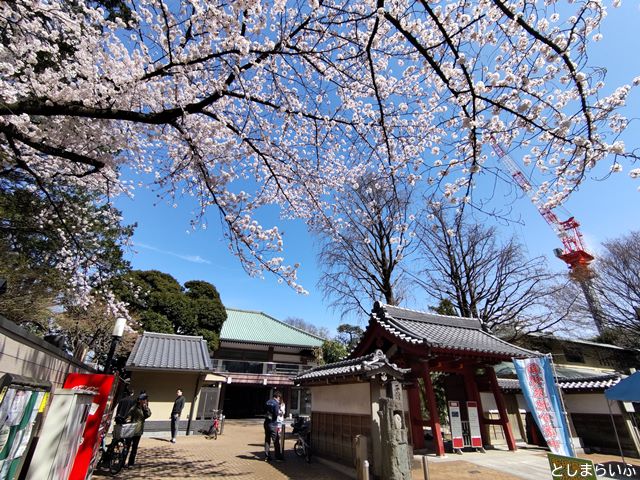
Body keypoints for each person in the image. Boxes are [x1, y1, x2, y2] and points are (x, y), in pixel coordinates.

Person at [125, 392, 151, 468]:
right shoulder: (134, 408)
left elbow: (148, 415)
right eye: (143, 400)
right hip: (131, 430)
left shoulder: (145, 408)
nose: (145, 401)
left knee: (134, 448)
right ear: (139, 400)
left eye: (145, 400)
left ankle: (131, 463)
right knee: (127, 446)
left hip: (138, 431)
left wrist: (146, 408)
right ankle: (122, 462)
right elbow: (129, 416)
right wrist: (128, 420)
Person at [263, 391, 283, 462]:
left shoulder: (268, 402)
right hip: (273, 424)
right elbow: (276, 413)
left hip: (266, 423)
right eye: (279, 398)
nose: (279, 400)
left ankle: (267, 456)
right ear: (278, 397)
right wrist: (280, 413)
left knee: (267, 440)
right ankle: (278, 457)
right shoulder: (276, 403)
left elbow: (264, 411)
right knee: (276, 440)